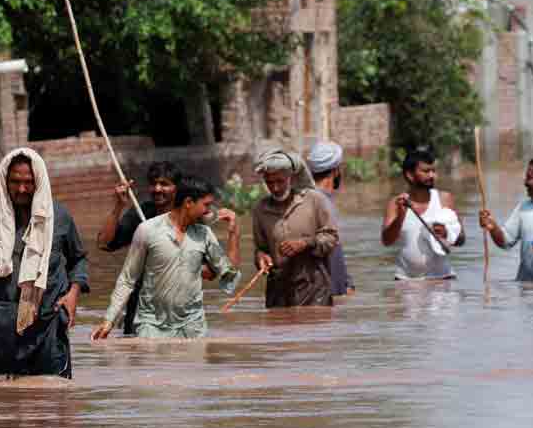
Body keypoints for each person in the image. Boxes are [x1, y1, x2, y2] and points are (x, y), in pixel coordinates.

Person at [0, 148, 89, 378]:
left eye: (28, 182)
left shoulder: (58, 217)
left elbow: (78, 260)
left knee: (52, 405)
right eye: (15, 181)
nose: (22, 189)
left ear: (38, 181)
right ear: (4, 179)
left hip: (46, 327)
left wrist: (73, 293)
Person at [92, 176, 240, 339]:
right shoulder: (147, 230)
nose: (209, 211)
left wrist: (233, 234)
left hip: (192, 326)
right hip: (151, 326)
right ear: (188, 202)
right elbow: (128, 280)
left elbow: (228, 273)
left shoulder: (204, 234)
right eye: (206, 205)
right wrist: (109, 320)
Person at [95, 161, 184, 336]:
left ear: (177, 188)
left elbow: (209, 270)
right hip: (140, 311)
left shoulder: (187, 217)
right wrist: (119, 205)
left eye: (164, 184)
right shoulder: (142, 214)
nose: (157, 189)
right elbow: (104, 243)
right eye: (154, 184)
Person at [252, 148, 340, 308]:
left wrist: (305, 243)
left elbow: (331, 238)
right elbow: (261, 248)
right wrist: (261, 258)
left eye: (280, 181)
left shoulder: (314, 200)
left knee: (313, 329)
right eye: (270, 183)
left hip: (314, 289)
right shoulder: (260, 209)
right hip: (278, 291)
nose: (275, 188)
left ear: (291, 178)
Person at [381, 148, 466, 280]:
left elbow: (461, 239)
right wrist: (400, 216)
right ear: (409, 175)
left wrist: (446, 233)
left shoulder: (444, 199)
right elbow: (386, 241)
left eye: (433, 171)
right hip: (406, 282)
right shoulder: (396, 203)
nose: (432, 176)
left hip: (442, 280)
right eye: (426, 171)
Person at [307, 141, 354, 298]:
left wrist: (347, 282)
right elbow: (331, 251)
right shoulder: (322, 202)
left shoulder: (311, 198)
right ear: (335, 170)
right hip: (324, 293)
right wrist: (343, 286)